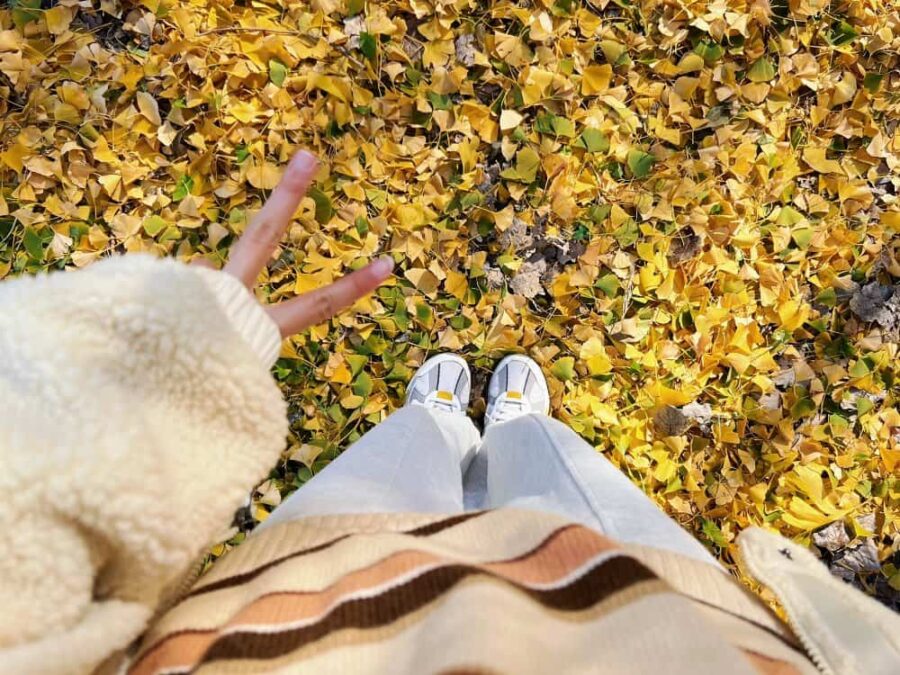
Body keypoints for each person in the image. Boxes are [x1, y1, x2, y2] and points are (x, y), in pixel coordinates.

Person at [1, 152, 897, 675]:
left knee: (396, 465)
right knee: (558, 478)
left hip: (308, 596)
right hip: (659, 618)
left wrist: (168, 376)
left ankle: (444, 425)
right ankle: (507, 432)